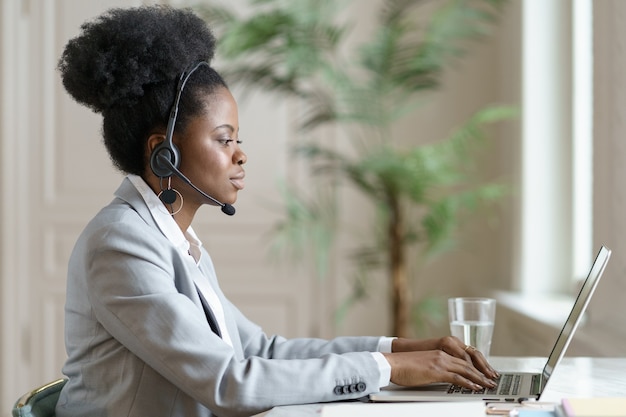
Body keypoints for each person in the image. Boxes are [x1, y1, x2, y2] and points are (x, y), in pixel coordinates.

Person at [55, 5, 498, 417]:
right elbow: (229, 383)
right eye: (224, 139)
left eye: (238, 140)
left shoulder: (175, 240)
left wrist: (399, 349)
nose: (240, 155)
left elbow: (260, 351)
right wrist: (389, 369)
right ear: (163, 151)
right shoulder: (120, 245)